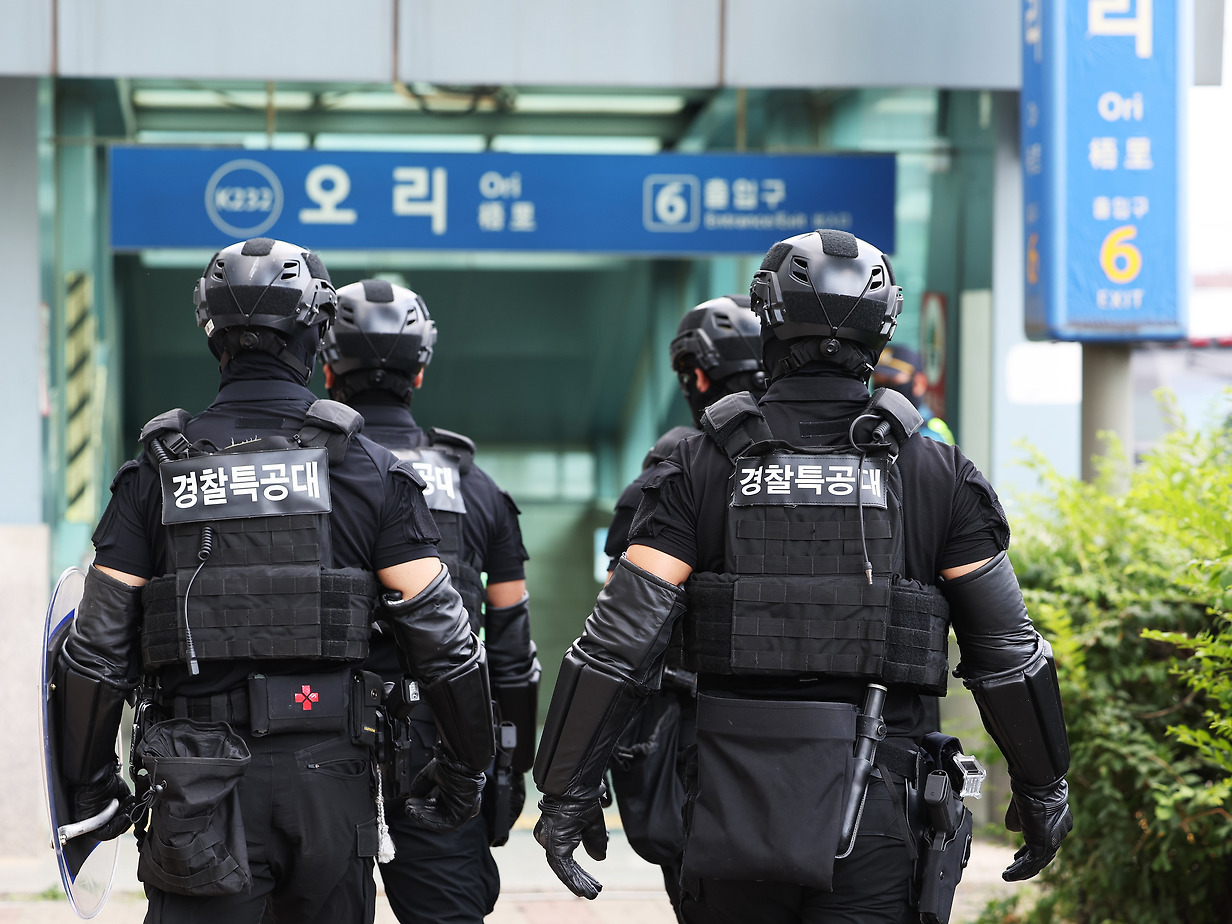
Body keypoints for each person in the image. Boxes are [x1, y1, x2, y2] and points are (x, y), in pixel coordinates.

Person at [531, 229, 1073, 923]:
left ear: (769, 320)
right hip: (880, 808)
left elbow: (617, 643)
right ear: (883, 330)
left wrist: (566, 788)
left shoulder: (699, 466)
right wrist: (1043, 787)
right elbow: (1007, 653)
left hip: (733, 800)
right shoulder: (937, 472)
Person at [53, 238, 495, 924]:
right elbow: (447, 645)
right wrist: (466, 770)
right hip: (332, 782)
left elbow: (96, 646)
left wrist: (88, 786)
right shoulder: (369, 471)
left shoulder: (153, 475)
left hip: (196, 785)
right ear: (317, 333)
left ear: (212, 334)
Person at [321, 278, 539, 924]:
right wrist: (508, 765)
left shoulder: (308, 477)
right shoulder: (478, 488)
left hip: (322, 734)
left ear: (328, 370)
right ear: (419, 372)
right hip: (441, 739)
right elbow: (511, 651)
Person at [602, 294, 765, 919]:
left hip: (708, 743)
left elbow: (621, 630)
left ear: (696, 377)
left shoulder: (674, 470)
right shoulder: (870, 462)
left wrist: (575, 776)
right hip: (855, 745)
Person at [873, 345, 954, 444]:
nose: (883, 390)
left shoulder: (930, 436)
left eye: (891, 381)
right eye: (878, 382)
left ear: (919, 383)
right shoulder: (871, 421)